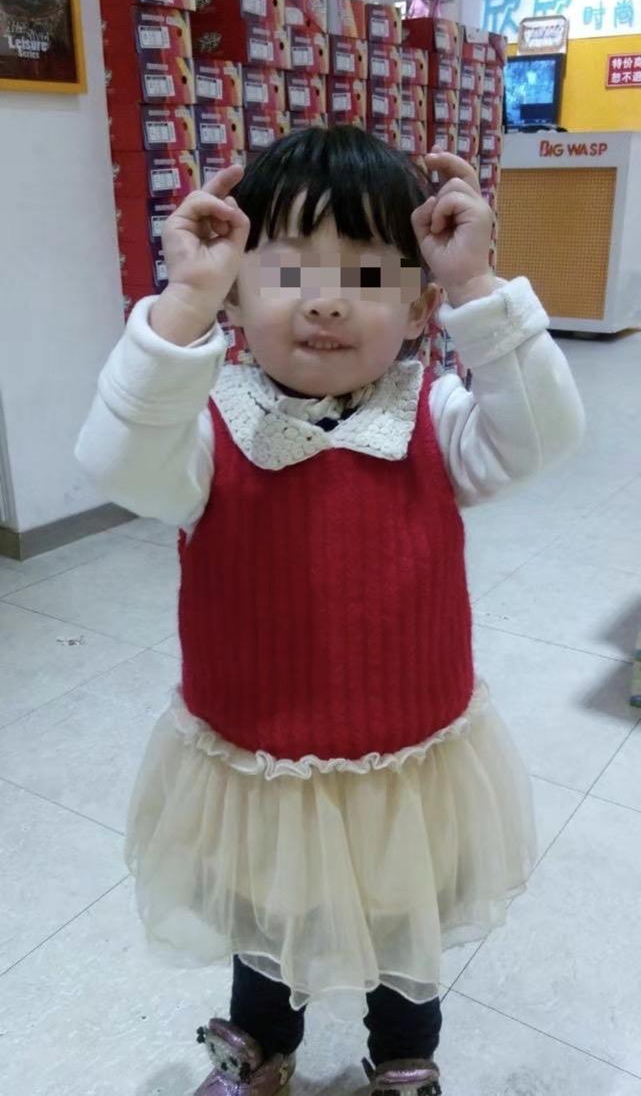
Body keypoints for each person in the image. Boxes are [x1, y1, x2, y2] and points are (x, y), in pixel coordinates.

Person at [76, 126, 585, 1096]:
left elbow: (543, 433)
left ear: (420, 305)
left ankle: (402, 1057)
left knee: (404, 928)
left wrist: (478, 285)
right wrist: (179, 306)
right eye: (286, 273)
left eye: (366, 273)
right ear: (233, 295)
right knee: (266, 924)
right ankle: (261, 1047)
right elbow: (116, 460)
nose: (325, 300)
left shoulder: (434, 417)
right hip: (259, 760)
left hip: (408, 760)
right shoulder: (203, 432)